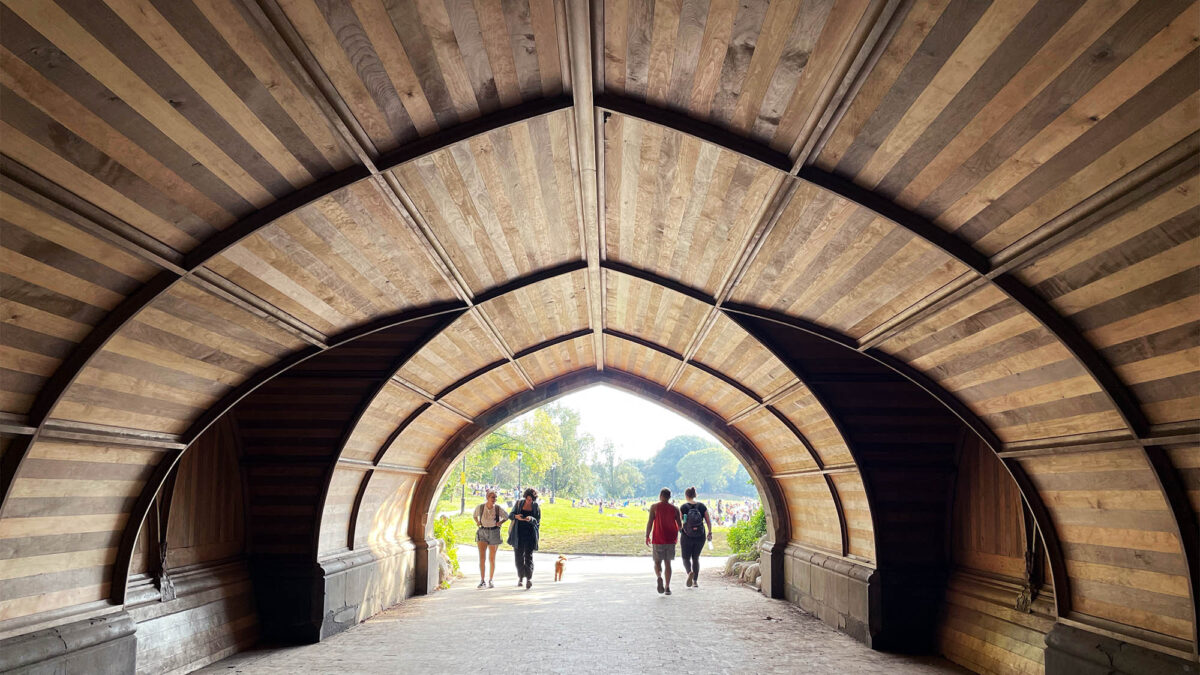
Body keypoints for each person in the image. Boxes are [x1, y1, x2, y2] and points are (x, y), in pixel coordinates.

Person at [645, 487, 681, 595]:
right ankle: (667, 587)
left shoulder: (654, 507)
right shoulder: (675, 509)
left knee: (657, 562)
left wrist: (647, 535)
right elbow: (680, 526)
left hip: (658, 539)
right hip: (670, 540)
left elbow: (650, 522)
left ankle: (659, 576)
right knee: (668, 563)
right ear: (669, 497)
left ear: (660, 496)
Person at [678, 486, 713, 588]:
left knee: (685, 558)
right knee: (695, 558)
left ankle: (689, 572)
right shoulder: (702, 506)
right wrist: (710, 532)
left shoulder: (683, 507)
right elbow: (708, 520)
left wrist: (681, 531)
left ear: (686, 496)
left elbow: (680, 523)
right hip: (700, 536)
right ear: (695, 495)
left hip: (686, 536)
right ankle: (695, 581)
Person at [472, 490, 507, 589]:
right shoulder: (481, 507)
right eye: (492, 497)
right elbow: (474, 515)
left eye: (495, 497)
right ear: (487, 497)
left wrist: (500, 522)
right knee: (482, 558)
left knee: (492, 558)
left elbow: (506, 516)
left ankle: (491, 580)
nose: (494, 499)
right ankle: (482, 580)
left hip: (494, 532)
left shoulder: (497, 508)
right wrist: (477, 522)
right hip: (482, 532)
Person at [507, 488, 540, 589]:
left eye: (531, 500)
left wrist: (531, 519)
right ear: (525, 497)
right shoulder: (519, 503)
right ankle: (521, 577)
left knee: (528, 557)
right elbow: (510, 515)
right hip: (518, 534)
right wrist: (517, 516)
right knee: (518, 557)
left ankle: (529, 579)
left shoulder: (535, 506)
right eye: (528, 499)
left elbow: (538, 520)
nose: (529, 501)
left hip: (530, 535)